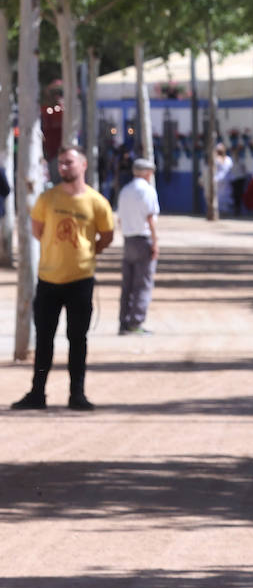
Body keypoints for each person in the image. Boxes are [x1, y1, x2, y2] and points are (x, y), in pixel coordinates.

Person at [11, 146, 115, 411]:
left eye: (69, 162)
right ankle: (37, 393)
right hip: (48, 280)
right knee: (44, 338)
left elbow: (106, 235)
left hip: (80, 280)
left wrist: (87, 253)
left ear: (83, 165)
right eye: (61, 163)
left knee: (77, 338)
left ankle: (76, 394)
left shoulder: (96, 202)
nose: (64, 167)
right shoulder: (47, 199)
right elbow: (38, 231)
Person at [116, 157, 160, 335]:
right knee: (142, 284)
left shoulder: (125, 191)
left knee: (127, 283)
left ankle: (124, 322)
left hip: (128, 240)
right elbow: (150, 218)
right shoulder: (147, 191)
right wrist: (155, 242)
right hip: (143, 239)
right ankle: (135, 323)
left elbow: (120, 218)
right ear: (148, 173)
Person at [214, 143, 235, 215]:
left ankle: (220, 211)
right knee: (226, 194)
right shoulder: (228, 159)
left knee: (218, 195)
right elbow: (231, 168)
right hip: (227, 179)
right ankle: (225, 211)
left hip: (218, 179)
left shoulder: (216, 159)